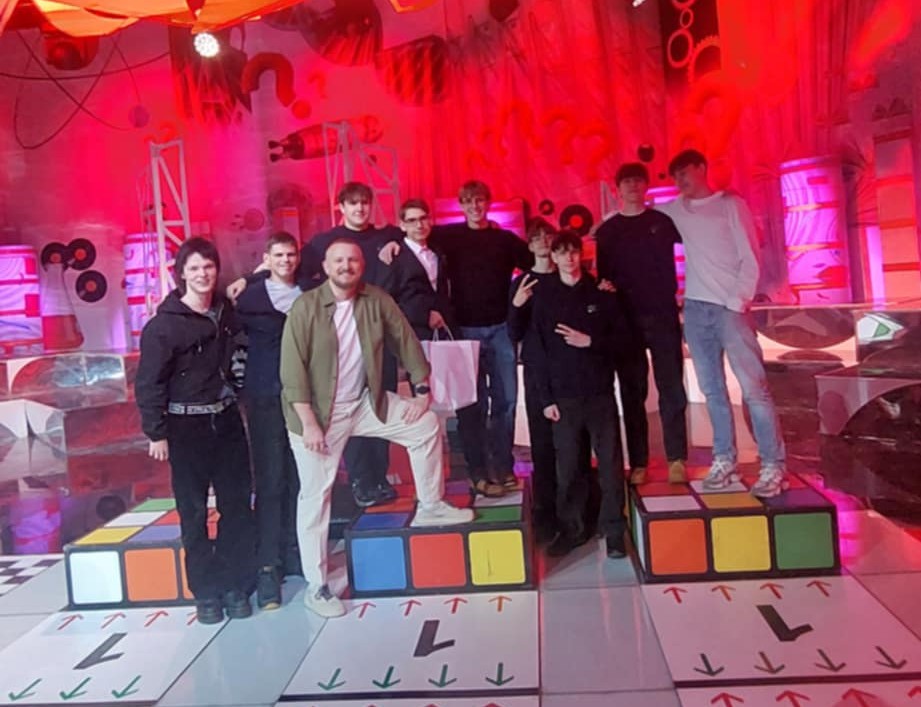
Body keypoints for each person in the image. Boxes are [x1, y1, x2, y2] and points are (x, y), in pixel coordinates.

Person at [280, 239, 473, 618]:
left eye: (352, 259)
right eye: (338, 260)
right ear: (326, 267)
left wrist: (421, 388)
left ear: (362, 265)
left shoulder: (376, 299)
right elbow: (291, 371)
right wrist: (309, 424)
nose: (346, 265)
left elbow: (405, 339)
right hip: (317, 416)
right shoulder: (306, 307)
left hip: (364, 404)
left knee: (425, 425)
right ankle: (317, 587)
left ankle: (431, 505)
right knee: (315, 497)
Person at [228, 182, 402, 508]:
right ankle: (361, 481)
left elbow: (410, 236)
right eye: (353, 203)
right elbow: (284, 267)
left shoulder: (387, 236)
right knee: (346, 410)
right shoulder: (322, 243)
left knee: (379, 408)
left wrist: (395, 242)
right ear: (341, 207)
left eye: (365, 202)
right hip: (339, 346)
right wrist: (248, 279)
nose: (360, 208)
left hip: (377, 340)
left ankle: (377, 478)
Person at [135, 237, 255, 625]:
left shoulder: (226, 313)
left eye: (208, 266)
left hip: (227, 421)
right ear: (181, 274)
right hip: (186, 426)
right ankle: (206, 591)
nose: (203, 274)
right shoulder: (163, 326)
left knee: (236, 505)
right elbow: (148, 382)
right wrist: (156, 432)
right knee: (193, 512)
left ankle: (236, 584)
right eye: (195, 268)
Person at [659, 149, 787, 497]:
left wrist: (736, 301)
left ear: (701, 168)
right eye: (675, 176)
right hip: (696, 309)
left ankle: (773, 464)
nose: (680, 181)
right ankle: (724, 459)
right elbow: (636, 214)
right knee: (712, 389)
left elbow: (750, 256)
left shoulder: (731, 205)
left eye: (685, 172)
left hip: (730, 308)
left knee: (753, 388)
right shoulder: (676, 209)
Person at [429, 181, 532, 497]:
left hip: (500, 329)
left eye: (480, 200)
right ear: (461, 205)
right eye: (469, 201)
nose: (475, 206)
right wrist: (391, 245)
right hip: (465, 333)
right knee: (473, 404)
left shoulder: (505, 240)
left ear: (488, 203)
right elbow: (412, 236)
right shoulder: (449, 236)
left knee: (507, 401)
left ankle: (503, 466)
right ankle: (479, 471)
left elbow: (535, 264)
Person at [531, 230, 628, 559]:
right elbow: (537, 351)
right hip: (563, 397)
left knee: (610, 465)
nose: (569, 258)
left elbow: (623, 341)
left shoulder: (601, 292)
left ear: (581, 254)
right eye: (562, 252)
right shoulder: (544, 296)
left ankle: (614, 532)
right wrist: (546, 399)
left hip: (599, 394)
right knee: (569, 467)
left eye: (573, 252)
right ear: (553, 256)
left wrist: (591, 342)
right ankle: (572, 529)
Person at [595, 162, 689, 485]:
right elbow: (603, 281)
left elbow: (695, 249)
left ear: (646, 186)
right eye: (627, 181)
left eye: (638, 180)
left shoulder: (663, 222)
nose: (633, 186)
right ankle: (638, 461)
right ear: (617, 189)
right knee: (632, 392)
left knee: (671, 387)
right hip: (625, 322)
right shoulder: (607, 231)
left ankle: (677, 457)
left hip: (662, 315)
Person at [235, 232, 303, 610]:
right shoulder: (249, 298)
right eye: (279, 255)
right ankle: (267, 565)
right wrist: (250, 276)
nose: (286, 261)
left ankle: (295, 552)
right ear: (267, 258)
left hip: (303, 399)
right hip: (264, 397)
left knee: (301, 478)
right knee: (270, 479)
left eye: (291, 254)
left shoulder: (310, 294)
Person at [508, 217, 560, 543]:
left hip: (568, 368)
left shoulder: (568, 274)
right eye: (536, 237)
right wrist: (517, 305)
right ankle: (545, 512)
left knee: (571, 440)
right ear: (529, 245)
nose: (543, 240)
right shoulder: (522, 282)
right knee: (542, 441)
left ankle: (574, 507)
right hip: (537, 368)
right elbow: (513, 332)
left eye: (547, 235)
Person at [382, 198, 455, 341]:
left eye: (423, 219)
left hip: (441, 332)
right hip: (409, 334)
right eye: (412, 221)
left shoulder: (437, 252)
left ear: (430, 220)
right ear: (402, 226)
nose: (419, 225)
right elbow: (387, 300)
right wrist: (424, 316)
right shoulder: (394, 256)